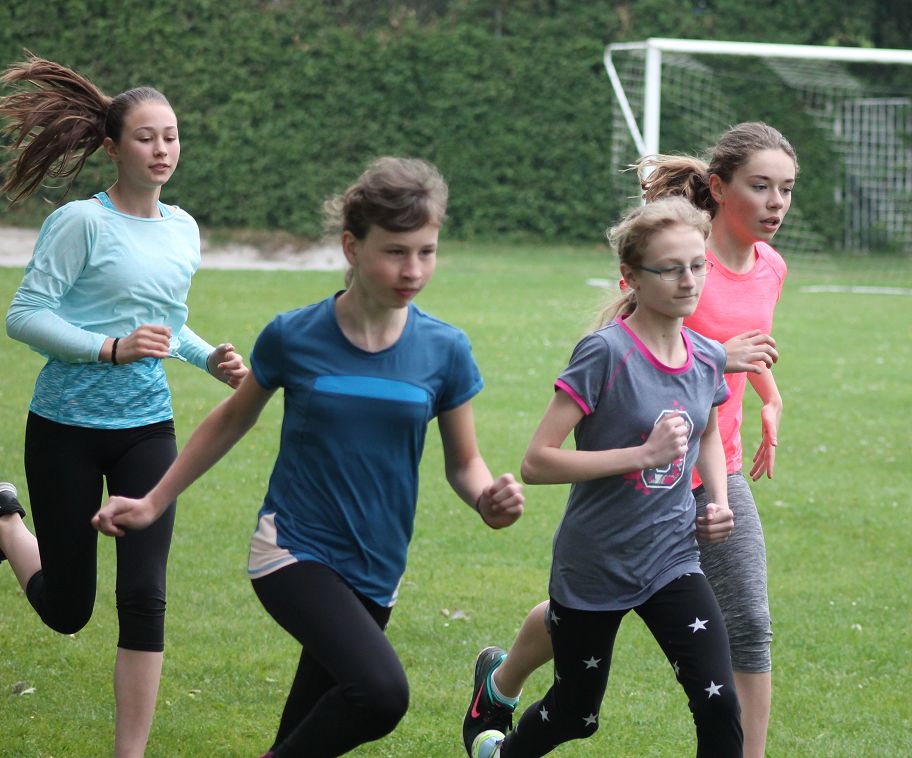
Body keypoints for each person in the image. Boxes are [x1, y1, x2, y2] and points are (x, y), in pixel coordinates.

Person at [91, 156, 525, 757]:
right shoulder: (294, 336)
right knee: (381, 694)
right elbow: (231, 418)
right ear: (352, 246)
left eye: (426, 252)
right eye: (395, 252)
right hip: (293, 548)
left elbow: (463, 463)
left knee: (306, 727)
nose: (413, 269)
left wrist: (486, 499)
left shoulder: (445, 349)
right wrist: (152, 502)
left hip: (377, 566)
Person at [463, 123, 794, 758]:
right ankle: (501, 693)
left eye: (786, 188)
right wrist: (644, 453)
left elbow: (723, 384)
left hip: (690, 511)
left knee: (738, 650)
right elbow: (539, 459)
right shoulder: (612, 344)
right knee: (578, 698)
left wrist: (766, 407)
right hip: (608, 530)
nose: (688, 280)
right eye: (762, 186)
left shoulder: (761, 276)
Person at [0, 54, 247, 758]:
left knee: (144, 596)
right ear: (112, 147)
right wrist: (109, 348)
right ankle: (7, 521)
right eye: (146, 137)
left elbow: (169, 325)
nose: (162, 149)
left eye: (171, 136)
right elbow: (24, 316)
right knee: (67, 610)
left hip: (147, 431)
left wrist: (209, 359)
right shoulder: (80, 222)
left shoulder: (183, 228)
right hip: (65, 431)